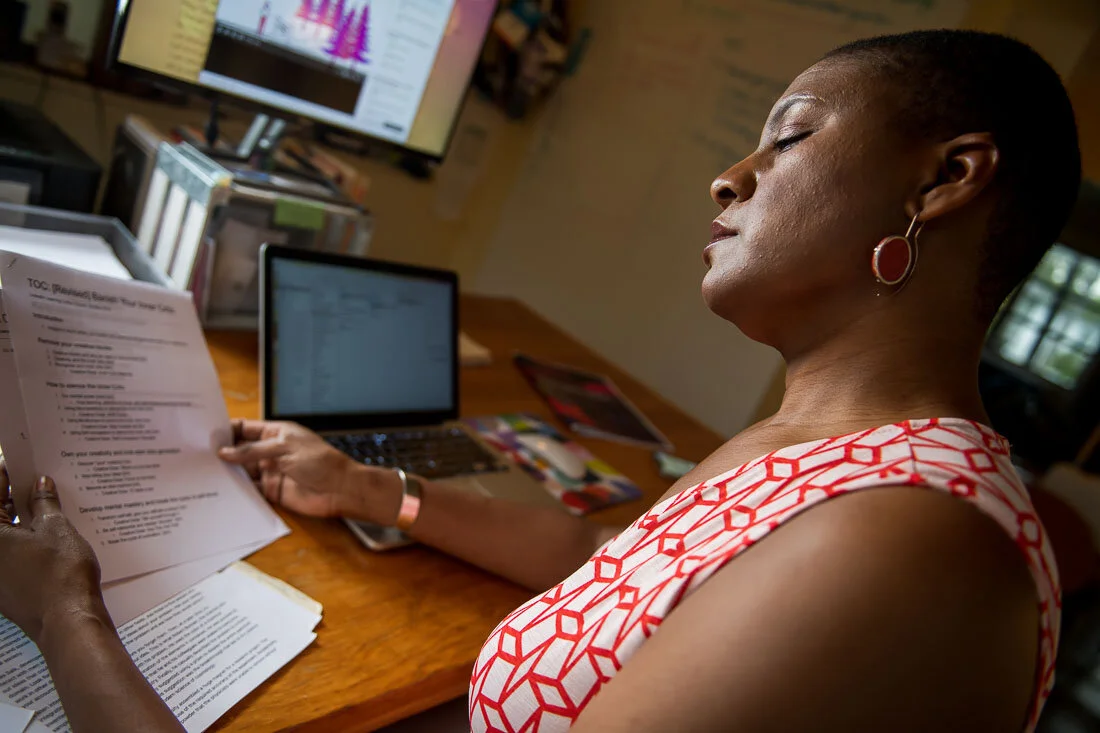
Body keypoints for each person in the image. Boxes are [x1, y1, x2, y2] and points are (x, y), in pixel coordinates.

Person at [0, 28, 1080, 732]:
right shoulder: (814, 448)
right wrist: (370, 489)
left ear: (943, 179)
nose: (727, 176)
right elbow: (605, 557)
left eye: (786, 138)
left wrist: (64, 613)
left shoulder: (904, 542)